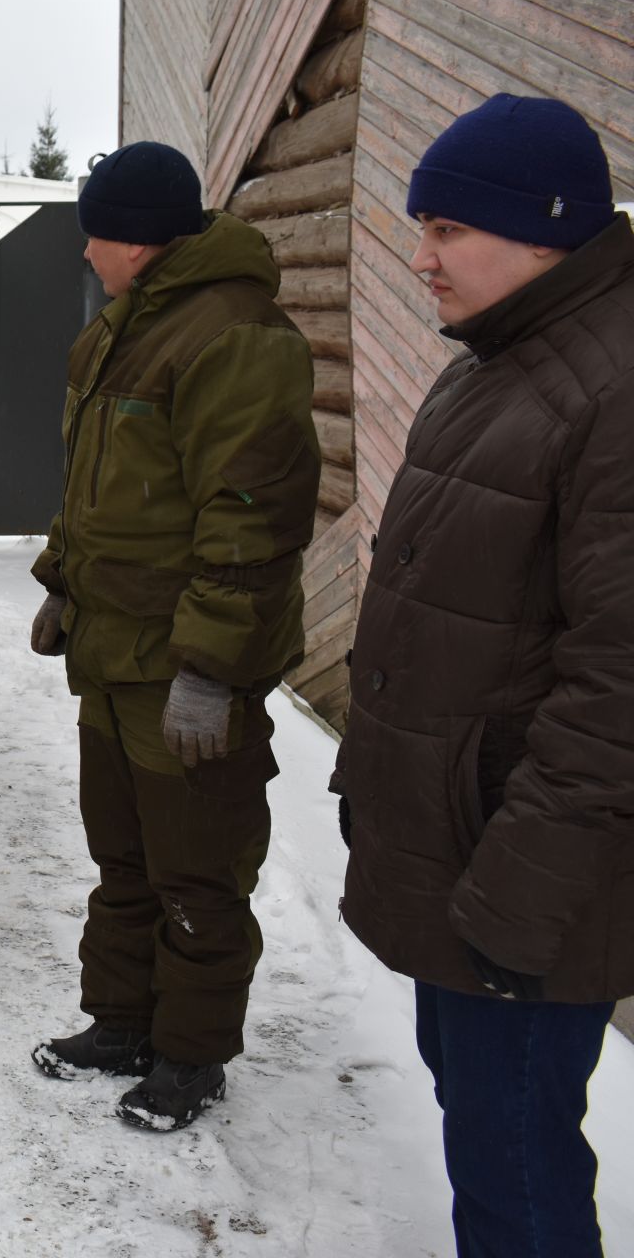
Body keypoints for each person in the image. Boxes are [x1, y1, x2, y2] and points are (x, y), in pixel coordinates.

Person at [333, 95, 633, 1257]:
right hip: (464, 857)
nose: (419, 258)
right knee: (491, 1146)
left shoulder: (610, 390)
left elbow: (619, 689)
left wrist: (514, 901)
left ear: (544, 229)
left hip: (524, 887)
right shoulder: (500, 360)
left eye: (447, 229)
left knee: (517, 1181)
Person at [26, 141, 319, 1130]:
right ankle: (121, 1021)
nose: (83, 254)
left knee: (197, 868)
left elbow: (252, 520)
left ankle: (191, 1056)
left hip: (182, 667)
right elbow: (97, 489)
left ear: (135, 238)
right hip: (112, 652)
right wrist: (63, 580)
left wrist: (211, 668)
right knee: (125, 858)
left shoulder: (234, 336)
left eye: (92, 235)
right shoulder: (122, 331)